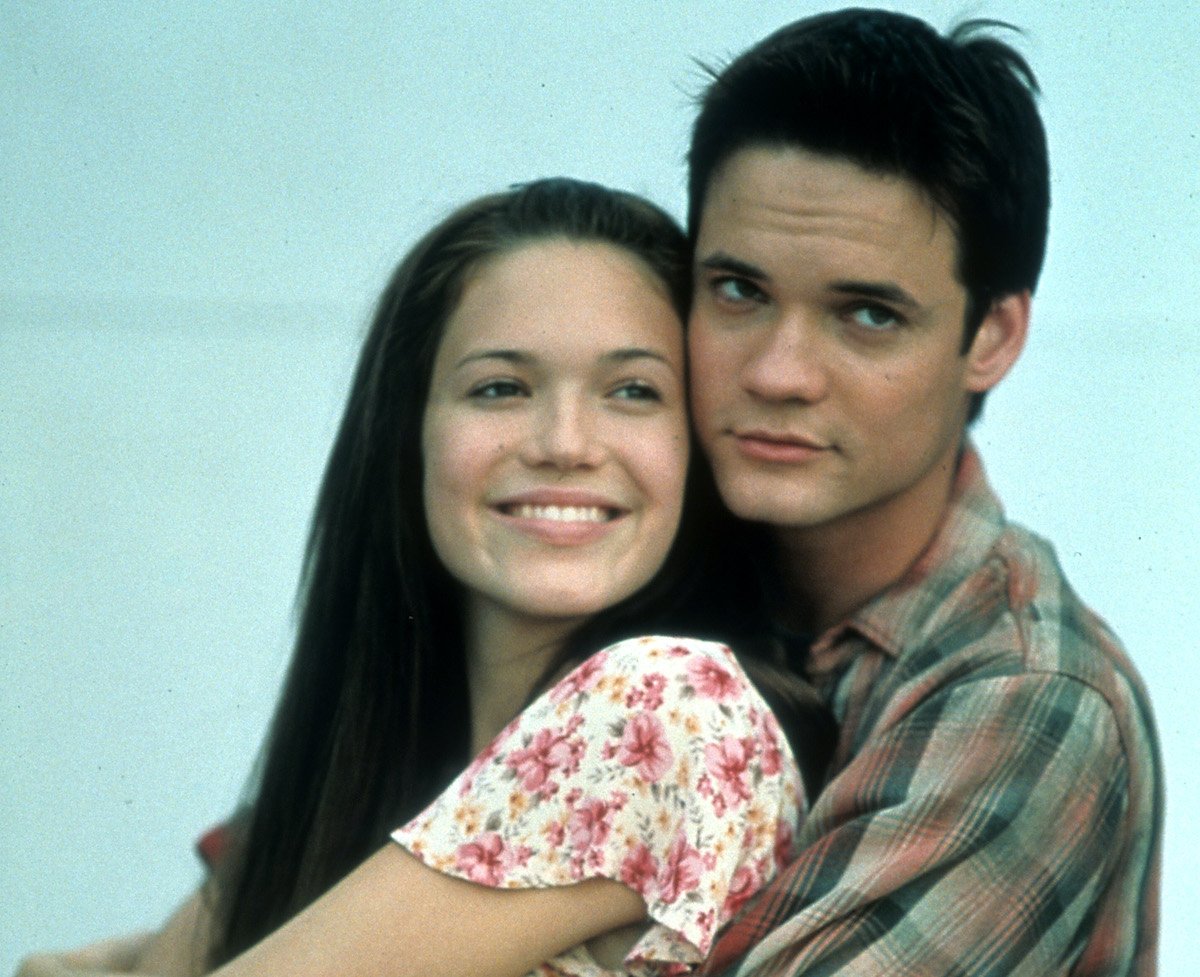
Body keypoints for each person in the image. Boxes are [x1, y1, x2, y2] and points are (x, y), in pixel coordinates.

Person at [16, 179, 835, 977]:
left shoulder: (666, 705)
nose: (565, 441)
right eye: (500, 387)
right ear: (408, 435)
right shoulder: (369, 783)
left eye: (633, 390)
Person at [682, 8, 1162, 976]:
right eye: (739, 290)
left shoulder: (1028, 694)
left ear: (991, 336)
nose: (779, 371)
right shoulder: (677, 584)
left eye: (867, 313)